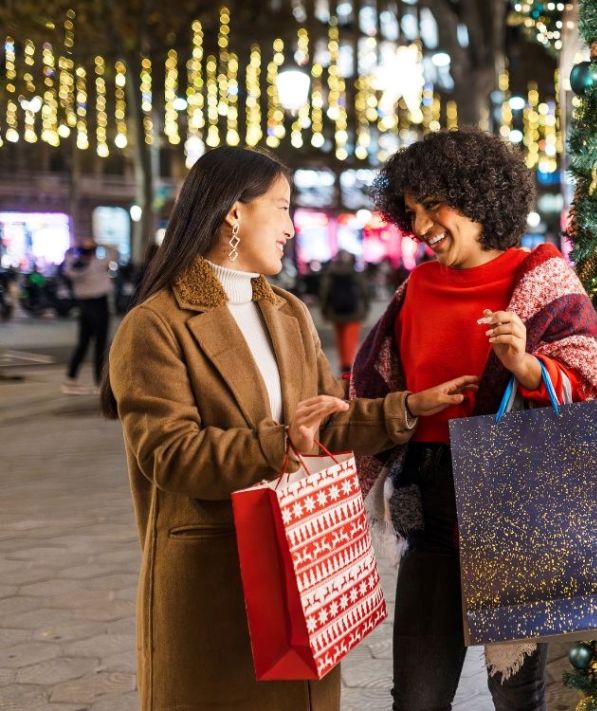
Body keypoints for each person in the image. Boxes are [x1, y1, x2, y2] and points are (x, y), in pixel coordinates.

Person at [100, 146, 478, 711]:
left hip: (301, 566)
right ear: (234, 213)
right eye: (280, 207)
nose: (290, 225)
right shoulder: (155, 325)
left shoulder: (286, 311)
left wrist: (407, 407)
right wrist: (281, 444)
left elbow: (324, 417)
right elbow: (170, 456)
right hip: (216, 578)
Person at [352, 128, 597, 711]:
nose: (420, 227)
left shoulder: (541, 278)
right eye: (412, 212)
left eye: (432, 206)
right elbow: (377, 386)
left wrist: (524, 366)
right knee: (417, 696)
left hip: (514, 496)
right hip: (426, 496)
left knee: (516, 694)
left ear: (475, 195)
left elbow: (592, 384)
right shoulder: (415, 286)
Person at [62, 238, 113, 394]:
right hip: (99, 304)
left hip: (84, 305)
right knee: (100, 344)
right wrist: (100, 243)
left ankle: (71, 379)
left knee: (83, 343)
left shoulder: (73, 265)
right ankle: (99, 382)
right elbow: (114, 253)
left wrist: (74, 248)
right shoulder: (96, 264)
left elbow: (67, 260)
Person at [319, 250, 372, 374]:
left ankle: (343, 364)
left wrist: (324, 311)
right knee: (351, 339)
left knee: (340, 339)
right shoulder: (355, 273)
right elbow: (365, 292)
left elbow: (324, 293)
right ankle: (348, 365)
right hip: (354, 312)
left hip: (336, 312)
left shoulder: (331, 274)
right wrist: (366, 308)